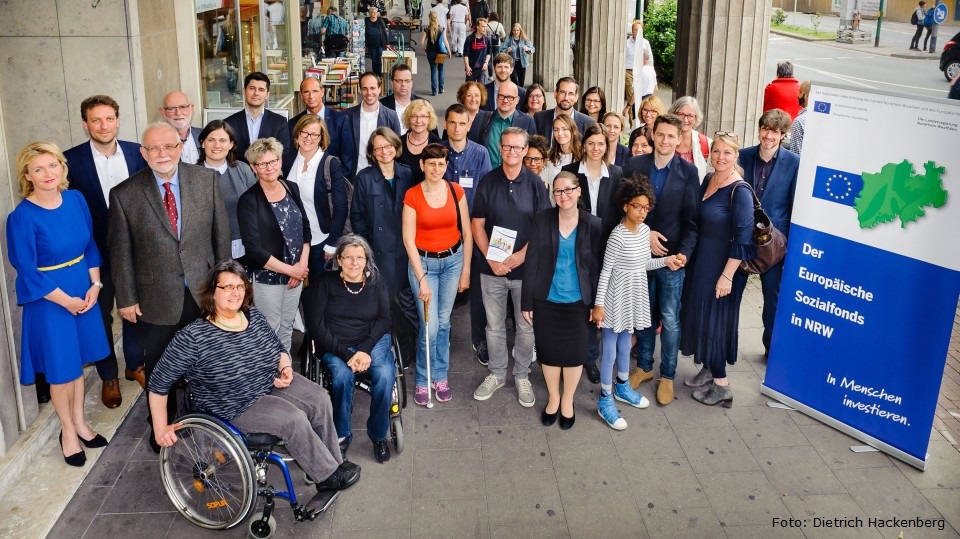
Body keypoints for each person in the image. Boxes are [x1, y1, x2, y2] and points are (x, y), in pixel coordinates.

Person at [148, 260, 360, 492]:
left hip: (270, 382)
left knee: (319, 398)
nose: (235, 293)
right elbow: (158, 382)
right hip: (234, 405)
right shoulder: (192, 337)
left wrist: (285, 368)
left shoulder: (253, 317)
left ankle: (333, 462)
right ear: (212, 292)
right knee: (293, 419)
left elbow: (278, 348)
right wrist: (161, 429)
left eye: (240, 287)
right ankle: (326, 475)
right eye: (227, 287)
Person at [108, 122, 232, 453]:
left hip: (204, 293)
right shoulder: (124, 194)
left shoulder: (206, 180)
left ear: (180, 146)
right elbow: (121, 253)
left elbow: (221, 237)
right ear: (143, 153)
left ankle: (209, 420)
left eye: (169, 146)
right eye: (154, 149)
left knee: (207, 363)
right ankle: (162, 426)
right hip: (154, 300)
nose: (162, 154)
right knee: (161, 367)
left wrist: (224, 285)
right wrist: (127, 298)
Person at [7, 142, 111, 466]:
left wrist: (95, 285)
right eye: (38, 169)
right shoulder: (20, 217)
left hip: (83, 288)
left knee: (77, 362)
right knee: (60, 371)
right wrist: (67, 301)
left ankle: (80, 421)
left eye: (52, 166)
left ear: (62, 168)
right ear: (27, 175)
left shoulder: (76, 199)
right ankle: (67, 431)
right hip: (50, 300)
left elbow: (90, 245)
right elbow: (26, 270)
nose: (47, 174)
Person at [63, 95, 147, 407]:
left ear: (117, 120)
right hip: (95, 255)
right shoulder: (70, 162)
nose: (103, 125)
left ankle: (134, 364)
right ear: (85, 124)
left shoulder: (137, 153)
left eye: (109, 118)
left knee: (136, 310)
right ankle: (108, 375)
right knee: (100, 316)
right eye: (96, 120)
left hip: (137, 250)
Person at [621, 114, 700, 406]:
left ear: (679, 139)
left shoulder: (689, 173)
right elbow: (624, 210)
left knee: (669, 319)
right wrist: (646, 232)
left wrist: (684, 256)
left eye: (671, 136)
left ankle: (667, 374)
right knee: (642, 317)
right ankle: (644, 367)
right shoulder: (634, 166)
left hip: (671, 262)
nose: (665, 141)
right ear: (652, 134)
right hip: (639, 259)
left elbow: (692, 223)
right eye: (661, 134)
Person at [471, 128, 551, 407]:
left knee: (525, 327)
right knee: (493, 326)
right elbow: (477, 224)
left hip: (526, 270)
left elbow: (544, 227)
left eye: (518, 148)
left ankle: (521, 375)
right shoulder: (487, 181)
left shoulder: (536, 185)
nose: (512, 152)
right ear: (500, 149)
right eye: (507, 147)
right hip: (491, 267)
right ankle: (496, 373)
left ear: (526, 150)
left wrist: (521, 256)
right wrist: (490, 258)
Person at [592, 176, 679, 429]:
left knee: (624, 348)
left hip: (633, 296)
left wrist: (667, 260)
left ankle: (622, 388)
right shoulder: (617, 236)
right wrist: (599, 305)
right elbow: (606, 271)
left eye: (646, 207)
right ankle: (605, 399)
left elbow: (643, 265)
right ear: (625, 206)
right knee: (609, 351)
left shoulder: (644, 232)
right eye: (636, 206)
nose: (642, 212)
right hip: (615, 297)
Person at [304, 235, 397, 463]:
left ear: (366, 260)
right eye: (348, 257)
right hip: (336, 343)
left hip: (371, 341)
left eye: (359, 257)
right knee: (341, 377)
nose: (354, 262)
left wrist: (364, 350)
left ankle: (378, 435)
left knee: (385, 374)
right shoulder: (326, 282)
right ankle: (342, 435)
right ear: (339, 259)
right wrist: (348, 354)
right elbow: (316, 325)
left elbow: (385, 319)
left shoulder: (376, 282)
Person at [680, 133, 757, 407]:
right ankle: (710, 368)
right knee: (701, 316)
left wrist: (727, 275)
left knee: (716, 321)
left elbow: (744, 239)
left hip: (724, 268)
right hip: (702, 262)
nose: (720, 157)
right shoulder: (708, 180)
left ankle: (722, 385)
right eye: (716, 152)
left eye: (727, 153)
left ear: (737, 156)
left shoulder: (741, 191)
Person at [521, 171, 602, 430]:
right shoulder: (543, 220)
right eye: (558, 191)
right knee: (550, 353)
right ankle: (553, 399)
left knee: (575, 355)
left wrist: (597, 303)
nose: (563, 195)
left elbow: (597, 268)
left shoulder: (594, 224)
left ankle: (568, 401)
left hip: (579, 302)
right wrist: (527, 302)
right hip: (546, 299)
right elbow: (531, 260)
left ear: (579, 191)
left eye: (568, 190)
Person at [402, 144, 473, 405]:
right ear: (422, 165)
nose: (436, 168)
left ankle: (440, 375)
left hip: (453, 263)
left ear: (446, 165)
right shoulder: (412, 195)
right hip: (424, 266)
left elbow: (466, 232)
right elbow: (408, 240)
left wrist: (466, 270)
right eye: (430, 163)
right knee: (429, 326)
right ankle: (423, 379)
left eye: (441, 163)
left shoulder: (456, 191)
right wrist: (421, 279)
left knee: (444, 322)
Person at [561, 123, 624, 383]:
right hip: (577, 248)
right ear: (583, 145)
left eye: (601, 144)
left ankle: (590, 358)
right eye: (591, 143)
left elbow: (621, 213)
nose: (596, 148)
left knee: (597, 305)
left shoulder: (618, 173)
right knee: (577, 303)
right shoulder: (571, 172)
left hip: (607, 250)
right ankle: (570, 354)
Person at [734, 110, 799, 357]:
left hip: (774, 244)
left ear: (782, 135)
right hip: (742, 241)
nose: (768, 136)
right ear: (759, 129)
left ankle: (771, 349)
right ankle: (727, 346)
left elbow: (793, 206)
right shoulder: (744, 156)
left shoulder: (793, 163)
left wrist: (789, 246)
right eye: (765, 129)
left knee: (772, 300)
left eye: (774, 132)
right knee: (732, 296)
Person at [237, 137, 311, 353]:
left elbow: (305, 228)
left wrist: (301, 266)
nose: (269, 167)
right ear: (253, 167)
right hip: (268, 278)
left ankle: (286, 373)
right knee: (269, 329)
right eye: (262, 164)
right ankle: (268, 378)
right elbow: (254, 250)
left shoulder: (291, 188)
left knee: (287, 327)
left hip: (296, 273)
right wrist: (292, 271)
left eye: (273, 161)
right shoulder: (249, 200)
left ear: (280, 161)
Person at [442, 104, 492, 366]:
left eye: (462, 123)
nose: (457, 128)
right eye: (452, 123)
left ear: (469, 125)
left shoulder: (481, 154)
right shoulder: (438, 152)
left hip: (473, 229)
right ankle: (443, 334)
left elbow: (485, 194)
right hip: (443, 232)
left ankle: (479, 340)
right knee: (445, 287)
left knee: (478, 290)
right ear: (445, 124)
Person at [282, 114, 349, 277]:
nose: (308, 138)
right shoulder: (287, 160)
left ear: (321, 138)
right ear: (297, 134)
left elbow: (341, 206)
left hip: (320, 240)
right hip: (292, 239)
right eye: (304, 132)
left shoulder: (330, 164)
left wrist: (333, 243)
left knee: (319, 290)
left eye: (314, 134)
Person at [352, 127, 415, 299]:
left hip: (404, 248)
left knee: (404, 297)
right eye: (378, 148)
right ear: (372, 152)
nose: (384, 151)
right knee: (381, 297)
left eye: (388, 146)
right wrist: (366, 248)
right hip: (378, 250)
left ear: (395, 146)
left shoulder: (407, 173)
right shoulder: (364, 178)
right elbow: (357, 216)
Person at [196, 120, 257, 259]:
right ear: (202, 143)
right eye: (211, 140)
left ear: (231, 144)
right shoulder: (190, 175)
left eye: (223, 140)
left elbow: (256, 209)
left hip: (242, 246)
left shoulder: (243, 170)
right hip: (206, 251)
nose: (217, 145)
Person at [288, 76, 351, 176]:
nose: (311, 96)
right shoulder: (293, 123)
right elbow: (291, 157)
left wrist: (340, 182)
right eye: (306, 92)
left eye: (315, 91)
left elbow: (347, 156)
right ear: (301, 95)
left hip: (332, 180)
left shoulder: (340, 120)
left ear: (322, 92)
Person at [224, 72, 292, 164]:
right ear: (244, 91)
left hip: (268, 176)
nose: (256, 93)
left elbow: (283, 155)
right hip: (239, 176)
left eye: (261, 90)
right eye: (252, 88)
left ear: (267, 94)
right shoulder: (229, 123)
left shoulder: (279, 122)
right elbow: (227, 155)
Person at [344, 72, 403, 177]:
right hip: (354, 178)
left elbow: (397, 148)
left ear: (379, 89)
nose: (369, 92)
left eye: (372, 88)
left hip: (382, 177)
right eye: (364, 88)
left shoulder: (391, 116)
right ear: (360, 90)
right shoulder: (347, 116)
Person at [468, 80, 536, 168]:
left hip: (515, 178)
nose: (505, 100)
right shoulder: (481, 118)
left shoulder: (527, 121)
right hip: (486, 178)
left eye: (510, 97)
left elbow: (531, 153)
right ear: (497, 97)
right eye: (501, 96)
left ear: (517, 100)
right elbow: (471, 149)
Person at [534, 77, 595, 143]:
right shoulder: (539, 118)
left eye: (571, 94)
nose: (566, 98)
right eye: (562, 92)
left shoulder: (588, 123)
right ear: (555, 94)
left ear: (576, 97)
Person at [398, 100, 444, 184]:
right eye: (414, 116)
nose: (418, 121)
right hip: (402, 194)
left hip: (428, 194)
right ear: (408, 118)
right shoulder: (398, 143)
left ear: (429, 119)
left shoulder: (438, 145)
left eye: (423, 116)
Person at [539, 114, 582, 198]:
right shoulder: (548, 156)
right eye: (556, 130)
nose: (560, 133)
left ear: (573, 131)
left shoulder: (584, 156)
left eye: (564, 129)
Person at [670, 96, 711, 181]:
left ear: (696, 118)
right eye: (681, 114)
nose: (685, 120)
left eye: (690, 116)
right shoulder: (664, 140)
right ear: (673, 114)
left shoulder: (706, 143)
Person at [159, 92, 201, 164]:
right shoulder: (156, 142)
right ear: (162, 112)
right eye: (171, 108)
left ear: (192, 108)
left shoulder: (205, 136)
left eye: (183, 107)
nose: (178, 113)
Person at [380, 64, 426, 131]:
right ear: (392, 83)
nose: (403, 85)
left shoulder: (423, 104)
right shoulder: (381, 106)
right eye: (399, 81)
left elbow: (432, 132)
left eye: (407, 81)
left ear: (411, 83)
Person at [421, 11, 449, 96]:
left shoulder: (427, 29)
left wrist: (425, 49)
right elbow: (445, 41)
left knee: (433, 71)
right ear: (437, 18)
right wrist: (449, 51)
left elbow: (422, 42)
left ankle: (434, 91)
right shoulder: (441, 29)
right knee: (441, 69)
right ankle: (441, 88)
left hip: (430, 52)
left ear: (429, 18)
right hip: (440, 53)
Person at [464, 17, 491, 83]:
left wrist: (486, 63)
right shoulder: (469, 39)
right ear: (477, 27)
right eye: (483, 27)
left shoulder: (487, 39)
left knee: (482, 90)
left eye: (485, 27)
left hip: (482, 69)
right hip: (471, 68)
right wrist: (467, 66)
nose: (485, 29)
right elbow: (466, 54)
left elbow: (489, 53)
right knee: (469, 89)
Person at [365, 7, 389, 76]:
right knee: (374, 60)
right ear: (369, 13)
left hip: (380, 44)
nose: (374, 14)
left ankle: (380, 75)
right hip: (371, 44)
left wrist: (387, 43)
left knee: (380, 60)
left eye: (375, 12)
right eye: (372, 12)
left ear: (377, 13)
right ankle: (375, 74)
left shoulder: (380, 20)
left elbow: (384, 31)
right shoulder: (367, 21)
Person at [791, 80, 811, 156]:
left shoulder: (799, 122)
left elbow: (795, 154)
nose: (797, 95)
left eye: (800, 92)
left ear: (807, 96)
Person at [484, 12, 506, 77]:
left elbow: (485, 35)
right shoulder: (499, 25)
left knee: (489, 60)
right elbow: (503, 35)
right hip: (497, 44)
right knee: (496, 60)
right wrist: (498, 37)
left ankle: (490, 76)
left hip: (489, 44)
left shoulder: (487, 25)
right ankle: (497, 74)